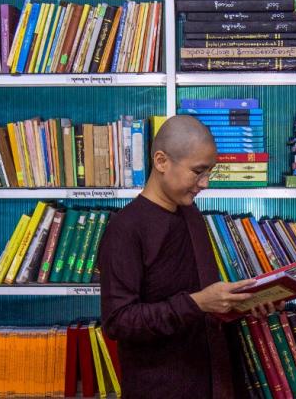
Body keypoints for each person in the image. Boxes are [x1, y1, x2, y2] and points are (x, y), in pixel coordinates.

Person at [98, 115, 280, 399]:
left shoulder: (192, 215)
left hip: (215, 382)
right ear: (161, 162)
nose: (205, 183)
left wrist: (242, 304)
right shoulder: (125, 229)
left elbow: (203, 301)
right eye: (198, 171)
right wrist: (198, 304)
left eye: (210, 172)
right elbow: (118, 321)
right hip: (161, 389)